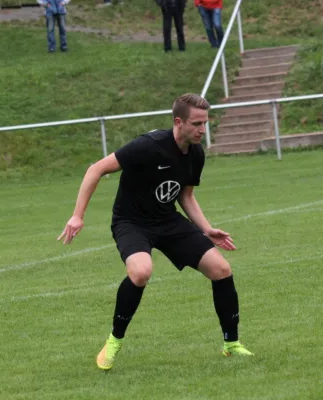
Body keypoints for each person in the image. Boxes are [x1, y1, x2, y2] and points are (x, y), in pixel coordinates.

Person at [58, 93, 253, 371]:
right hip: (131, 222)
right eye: (196, 124)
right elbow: (96, 169)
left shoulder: (196, 153)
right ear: (178, 122)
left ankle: (231, 345)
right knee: (140, 272)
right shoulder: (148, 146)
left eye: (205, 123)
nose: (202, 130)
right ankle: (114, 340)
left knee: (221, 269)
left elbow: (186, 196)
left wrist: (206, 228)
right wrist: (78, 216)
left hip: (168, 221)